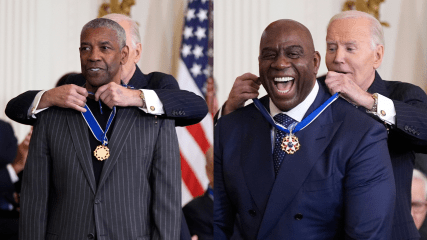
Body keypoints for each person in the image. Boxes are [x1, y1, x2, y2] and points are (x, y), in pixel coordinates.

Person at [219, 10, 427, 240]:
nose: (337, 58)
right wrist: (229, 110)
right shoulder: (306, 90)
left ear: (377, 55)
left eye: (350, 48)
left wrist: (366, 99)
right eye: (331, 47)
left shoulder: (402, 94)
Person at [19, 18, 181, 239]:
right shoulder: (52, 114)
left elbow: (167, 200)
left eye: (104, 47)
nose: (93, 55)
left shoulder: (154, 116)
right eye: (86, 48)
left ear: (124, 55)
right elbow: (34, 198)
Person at [5, 13, 208, 127]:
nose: (96, 56)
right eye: (90, 47)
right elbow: (15, 109)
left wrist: (135, 97)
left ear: (132, 53)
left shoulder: (156, 84)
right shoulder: (75, 82)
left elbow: (197, 108)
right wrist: (48, 97)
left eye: (107, 47)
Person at [0, 120, 31, 240]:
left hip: (15, 213)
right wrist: (16, 166)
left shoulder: (5, 128)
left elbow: (17, 162)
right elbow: (16, 166)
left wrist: (28, 153)